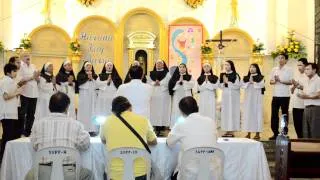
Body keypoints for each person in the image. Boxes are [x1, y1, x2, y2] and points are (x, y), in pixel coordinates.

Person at [26, 92, 93, 180]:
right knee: (88, 174)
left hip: (43, 175)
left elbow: (34, 146)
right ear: (67, 108)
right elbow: (85, 146)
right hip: (70, 175)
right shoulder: (77, 125)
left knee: (30, 175)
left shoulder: (37, 125)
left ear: (49, 107)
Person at [100, 96, 157, 180]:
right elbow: (154, 141)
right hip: (139, 173)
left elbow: (103, 140)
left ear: (113, 110)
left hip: (114, 174)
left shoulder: (106, 122)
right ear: (130, 107)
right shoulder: (143, 120)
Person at [167, 96, 218, 180]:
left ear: (182, 111)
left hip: (190, 174)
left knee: (172, 173)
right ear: (197, 107)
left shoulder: (181, 124)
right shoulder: (210, 121)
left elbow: (169, 143)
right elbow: (215, 138)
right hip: (211, 172)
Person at [0, 63, 23, 161]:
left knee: (9, 135)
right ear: (8, 72)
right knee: (7, 136)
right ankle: (4, 157)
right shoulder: (6, 81)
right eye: (14, 71)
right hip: (7, 113)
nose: (16, 73)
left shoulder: (10, 81)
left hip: (10, 113)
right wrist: (17, 93)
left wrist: (17, 87)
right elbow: (6, 96)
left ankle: (5, 156)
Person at [269, 54, 293, 140]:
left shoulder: (289, 70)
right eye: (279, 58)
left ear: (286, 60)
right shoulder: (274, 69)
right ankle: (275, 133)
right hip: (275, 95)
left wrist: (281, 81)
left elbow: (291, 82)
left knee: (284, 115)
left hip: (285, 96)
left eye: (282, 58)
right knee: (274, 115)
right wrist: (275, 80)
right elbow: (271, 82)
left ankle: (283, 133)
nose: (280, 59)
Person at [18, 53, 40, 137]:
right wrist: (32, 77)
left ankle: (28, 132)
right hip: (25, 93)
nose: (28, 57)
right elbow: (20, 80)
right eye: (25, 56)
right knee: (22, 114)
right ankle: (21, 132)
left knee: (31, 114)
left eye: (28, 56)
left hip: (34, 93)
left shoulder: (33, 66)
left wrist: (37, 77)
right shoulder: (20, 67)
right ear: (21, 58)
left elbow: (37, 79)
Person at [147, 60, 171, 135]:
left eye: (160, 63)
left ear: (163, 65)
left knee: (163, 110)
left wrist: (160, 83)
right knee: (155, 111)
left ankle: (162, 128)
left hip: (164, 95)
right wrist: (154, 83)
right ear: (155, 64)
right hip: (154, 95)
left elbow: (169, 82)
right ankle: (155, 127)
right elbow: (148, 82)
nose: (159, 64)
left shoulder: (167, 74)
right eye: (157, 63)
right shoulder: (151, 73)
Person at [242, 63, 265, 139]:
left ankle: (257, 133)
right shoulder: (246, 77)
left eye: (254, 67)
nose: (251, 69)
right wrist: (248, 82)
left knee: (257, 114)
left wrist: (253, 82)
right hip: (248, 99)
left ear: (257, 69)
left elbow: (261, 85)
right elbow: (242, 85)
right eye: (250, 67)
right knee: (248, 114)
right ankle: (248, 133)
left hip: (257, 99)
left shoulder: (261, 77)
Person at [297, 63, 320, 138]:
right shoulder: (306, 80)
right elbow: (305, 93)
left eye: (308, 69)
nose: (305, 71)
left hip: (315, 108)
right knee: (306, 131)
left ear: (314, 70)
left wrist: (306, 97)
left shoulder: (318, 80)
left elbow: (318, 95)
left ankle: (316, 149)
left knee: (315, 131)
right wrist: (301, 95)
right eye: (305, 69)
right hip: (306, 108)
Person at [168, 63, 195, 129]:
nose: (182, 68)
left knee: (187, 109)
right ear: (178, 69)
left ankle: (187, 126)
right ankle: (176, 126)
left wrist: (184, 82)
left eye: (183, 67)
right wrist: (178, 82)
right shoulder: (174, 77)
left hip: (186, 95)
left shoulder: (190, 77)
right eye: (180, 67)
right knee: (177, 109)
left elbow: (192, 84)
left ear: (186, 68)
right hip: (177, 96)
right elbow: (171, 86)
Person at [219, 60, 241, 137]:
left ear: (231, 66)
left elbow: (238, 86)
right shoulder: (222, 75)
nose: (226, 66)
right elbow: (220, 86)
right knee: (226, 113)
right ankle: (227, 130)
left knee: (232, 112)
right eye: (225, 65)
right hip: (225, 96)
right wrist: (224, 83)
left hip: (233, 97)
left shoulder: (235, 75)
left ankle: (232, 131)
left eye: (228, 65)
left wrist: (228, 83)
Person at [77, 61, 98, 134]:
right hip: (84, 96)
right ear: (84, 67)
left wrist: (92, 78)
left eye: (90, 66)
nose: (89, 67)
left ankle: (92, 129)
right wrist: (87, 78)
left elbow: (97, 86)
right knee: (84, 112)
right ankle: (83, 129)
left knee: (93, 112)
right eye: (87, 66)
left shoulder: (95, 75)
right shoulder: (80, 75)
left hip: (92, 96)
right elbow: (79, 85)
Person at [291, 58, 308, 138]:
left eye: (300, 65)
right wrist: (293, 87)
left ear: (305, 65)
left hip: (303, 105)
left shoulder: (308, 76)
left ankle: (304, 141)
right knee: (296, 124)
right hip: (295, 104)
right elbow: (292, 90)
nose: (299, 67)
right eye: (298, 65)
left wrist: (297, 85)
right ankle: (299, 138)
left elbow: (307, 89)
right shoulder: (297, 75)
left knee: (303, 126)